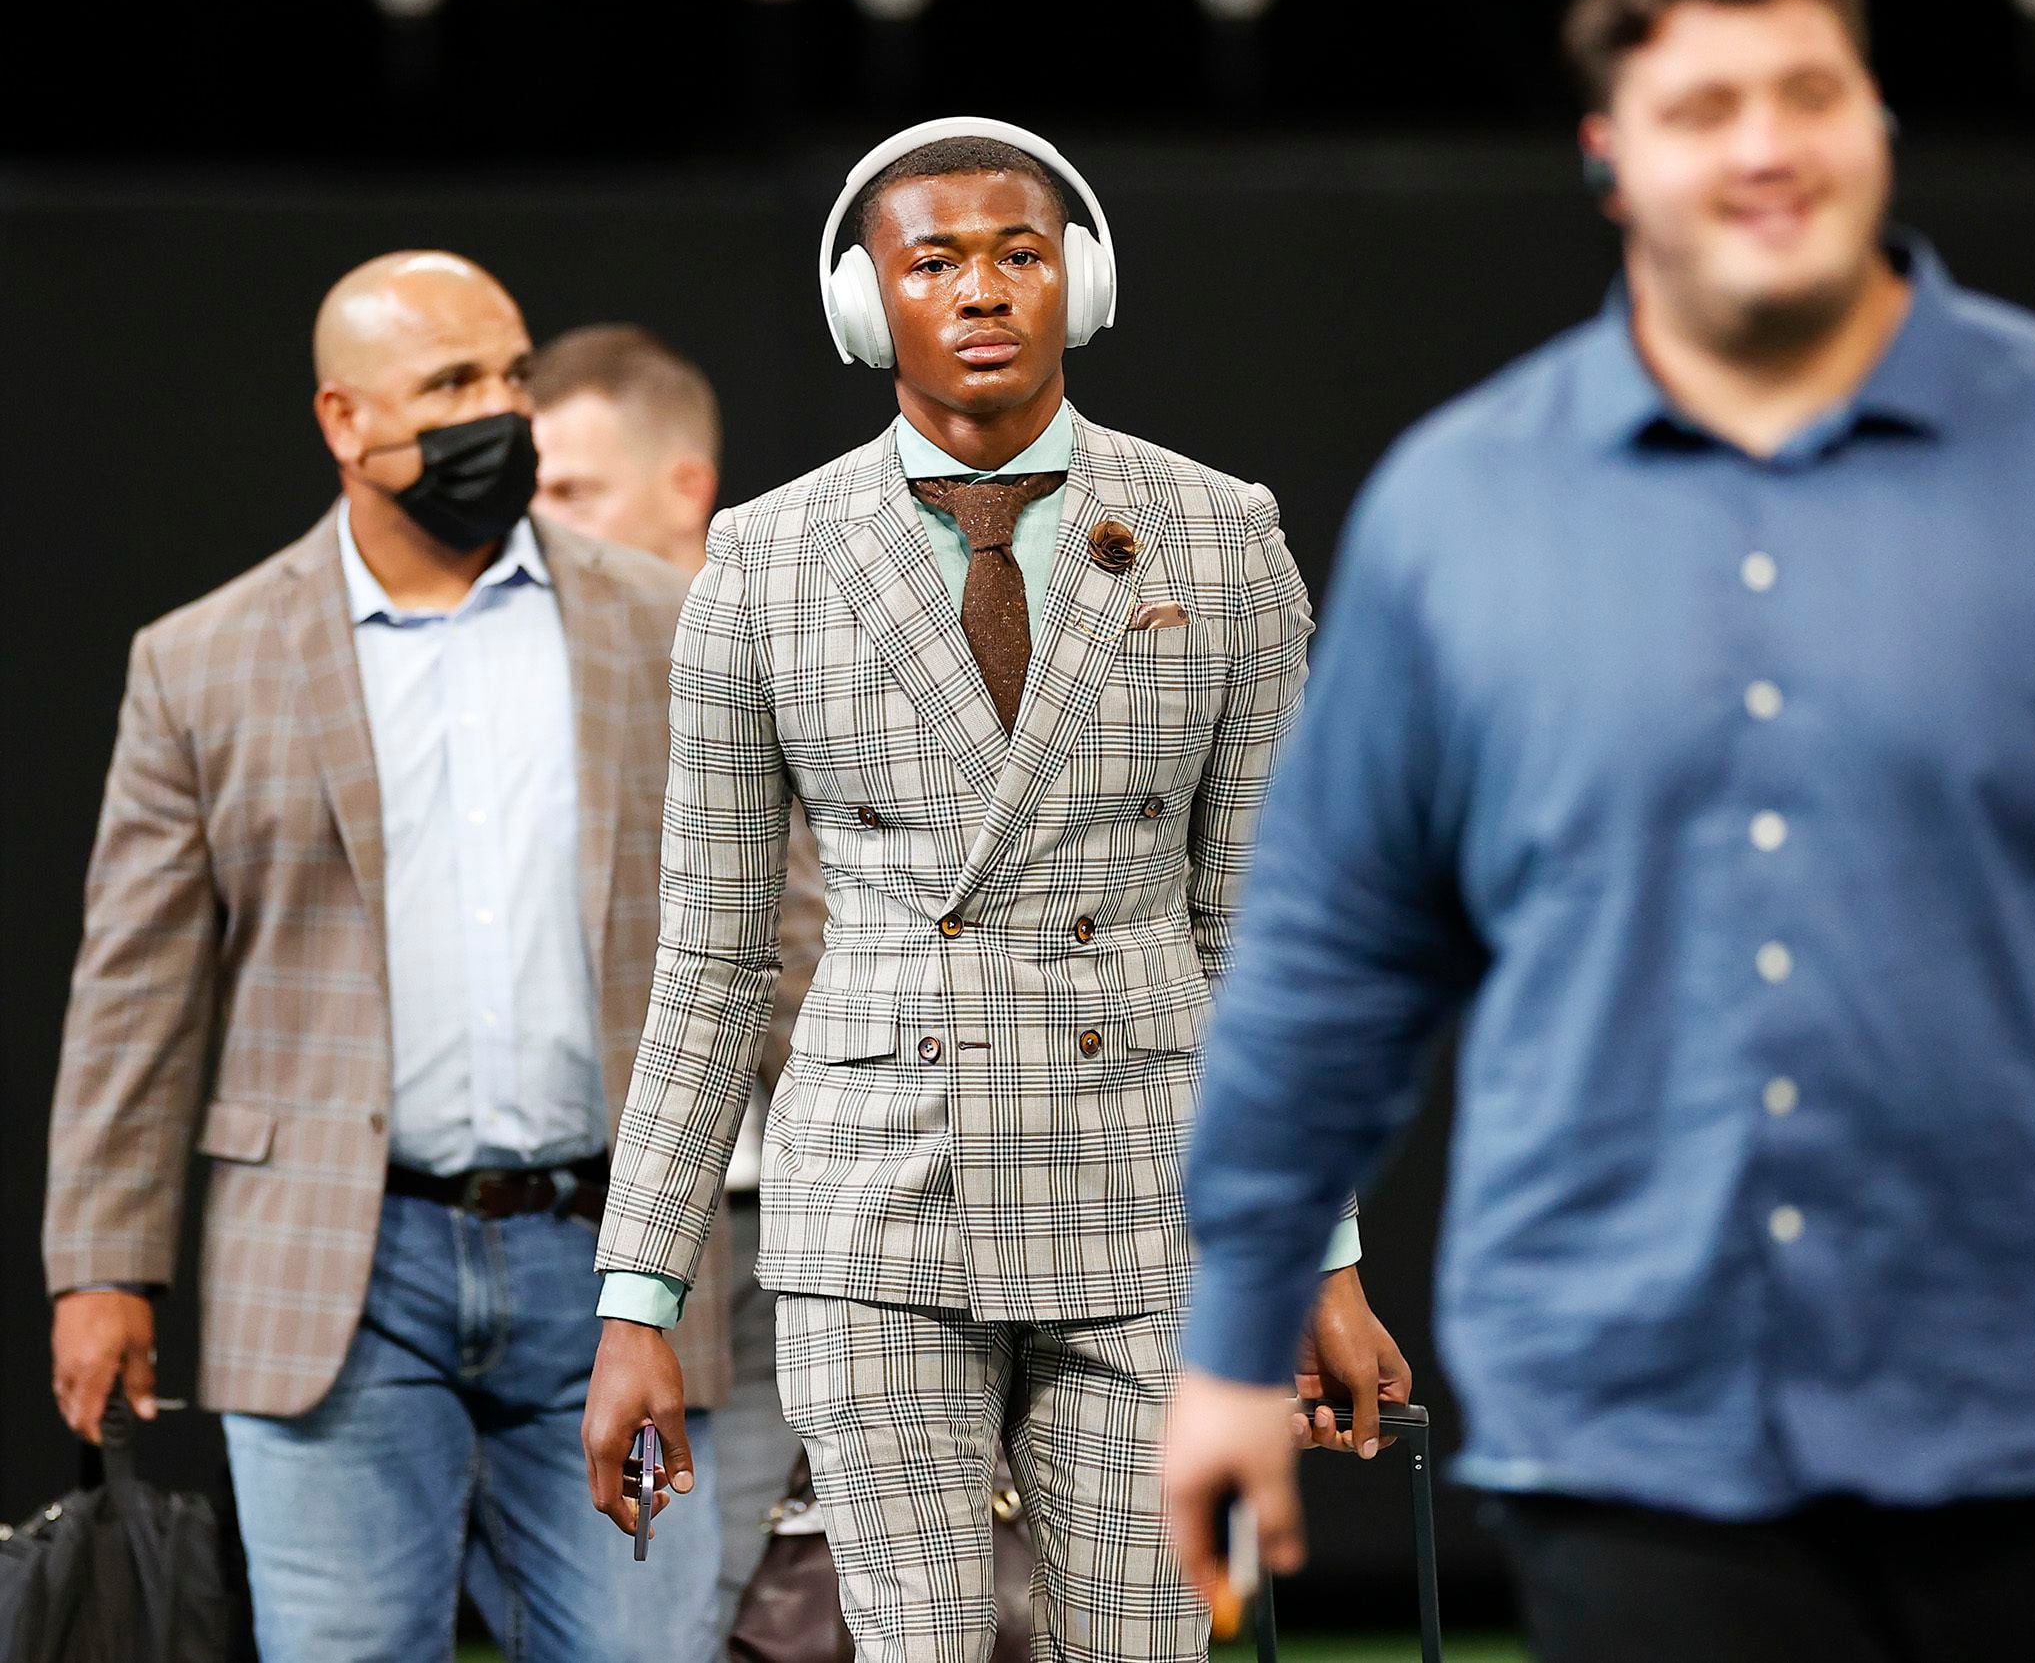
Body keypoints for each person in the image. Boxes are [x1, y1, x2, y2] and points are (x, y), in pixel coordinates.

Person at [1161, 0, 2035, 1663]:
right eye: (1705, 105)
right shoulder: (1463, 510)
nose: (1764, 146)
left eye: (1809, 91)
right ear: (1610, 157)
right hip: (1627, 1432)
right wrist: (1233, 1331)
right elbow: (1332, 960)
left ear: (1878, 122)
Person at [578, 118, 1411, 1663]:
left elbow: (1264, 937)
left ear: (1078, 283)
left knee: (1157, 1643)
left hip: (1147, 1200)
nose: (980, 289)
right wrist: (640, 1293)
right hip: (878, 1206)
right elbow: (709, 961)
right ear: (864, 305)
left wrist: (1328, 1254)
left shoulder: (1222, 537)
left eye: (1019, 253)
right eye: (934, 260)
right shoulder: (763, 565)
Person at [45, 252, 730, 1663]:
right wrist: (104, 1263)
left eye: (513, 375)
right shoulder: (204, 660)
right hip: (334, 1271)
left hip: (621, 1266)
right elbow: (137, 989)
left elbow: (780, 935)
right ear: (345, 422)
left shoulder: (669, 629)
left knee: (653, 1649)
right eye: (451, 385)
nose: (500, 412)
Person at [530, 321, 832, 1631]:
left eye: (573, 489)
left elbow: (809, 948)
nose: (542, 522)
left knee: (731, 1606)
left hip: (783, 1233)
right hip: (577, 1224)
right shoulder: (529, 674)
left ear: (685, 487)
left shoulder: (809, 650)